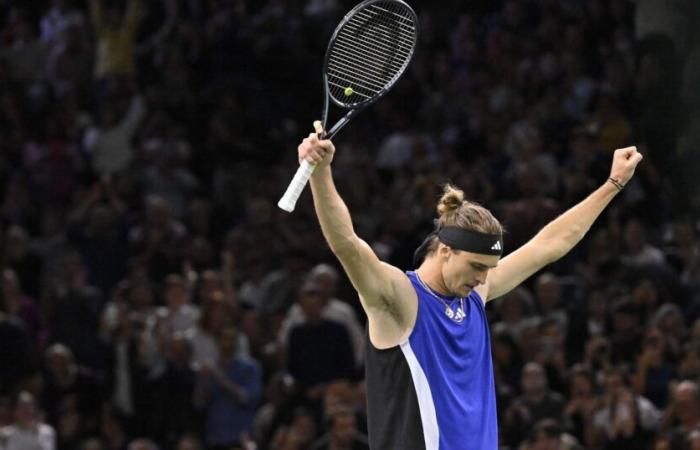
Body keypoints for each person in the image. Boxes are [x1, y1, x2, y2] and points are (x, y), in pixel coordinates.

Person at [297, 120, 643, 449]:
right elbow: (348, 245)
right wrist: (321, 173)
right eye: (477, 266)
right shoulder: (399, 299)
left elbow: (548, 246)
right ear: (445, 251)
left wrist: (612, 185)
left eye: (489, 268)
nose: (483, 278)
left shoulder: (474, 294)